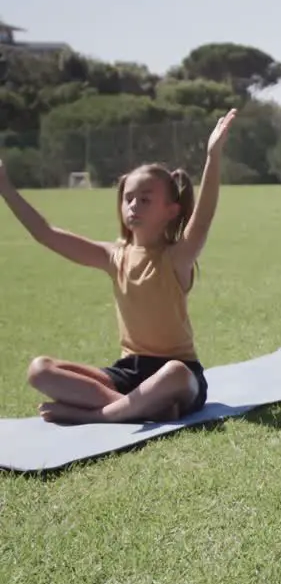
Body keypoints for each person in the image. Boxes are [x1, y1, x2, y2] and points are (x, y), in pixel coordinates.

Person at [4, 109, 239, 424]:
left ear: (171, 210)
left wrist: (213, 155)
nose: (133, 205)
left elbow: (204, 216)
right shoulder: (112, 256)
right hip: (128, 373)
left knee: (175, 374)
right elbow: (46, 234)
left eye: (145, 199)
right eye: (128, 198)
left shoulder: (177, 256)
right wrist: (6, 188)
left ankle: (102, 414)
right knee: (40, 371)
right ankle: (138, 408)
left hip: (178, 374)